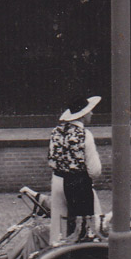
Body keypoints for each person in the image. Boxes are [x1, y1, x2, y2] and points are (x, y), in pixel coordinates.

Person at [48, 95, 103, 244]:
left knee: (59, 225)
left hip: (58, 181)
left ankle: (56, 251)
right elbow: (95, 170)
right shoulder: (85, 134)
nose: (92, 114)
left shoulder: (56, 132)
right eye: (90, 111)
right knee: (84, 228)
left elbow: (52, 159)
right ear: (83, 115)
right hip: (79, 183)